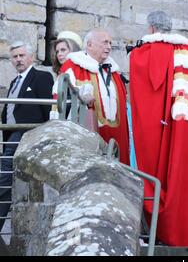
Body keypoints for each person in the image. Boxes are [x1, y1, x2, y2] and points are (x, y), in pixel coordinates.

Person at [129, 10, 188, 247]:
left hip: (153, 129)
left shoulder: (140, 54)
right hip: (184, 129)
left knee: (151, 172)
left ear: (152, 29)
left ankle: (157, 228)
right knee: (185, 174)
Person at [54, 29, 130, 164]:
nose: (109, 46)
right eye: (105, 42)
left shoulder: (114, 72)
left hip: (117, 137)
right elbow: (59, 99)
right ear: (89, 45)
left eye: (110, 43)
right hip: (87, 136)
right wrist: (80, 100)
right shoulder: (73, 67)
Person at [0, 41, 53, 230]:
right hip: (11, 136)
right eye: (14, 57)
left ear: (31, 57)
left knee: (4, 173)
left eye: (22, 55)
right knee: (7, 180)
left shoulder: (41, 76)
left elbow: (48, 108)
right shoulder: (15, 81)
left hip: (27, 134)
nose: (18, 59)